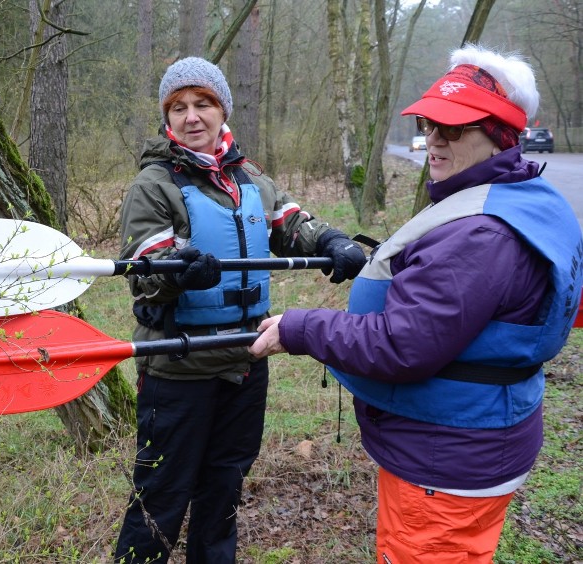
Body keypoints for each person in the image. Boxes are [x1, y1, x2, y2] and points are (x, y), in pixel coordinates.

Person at [249, 44, 583, 563]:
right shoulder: (524, 197)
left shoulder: (481, 235)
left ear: (499, 136)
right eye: (431, 124)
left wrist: (301, 327)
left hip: (446, 460)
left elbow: (402, 345)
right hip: (477, 443)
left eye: (453, 129)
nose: (434, 139)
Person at [113, 57, 366, 563]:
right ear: (169, 118)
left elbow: (293, 221)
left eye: (202, 103)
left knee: (224, 490)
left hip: (246, 363)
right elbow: (146, 268)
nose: (192, 117)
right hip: (180, 369)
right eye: (179, 107)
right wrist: (176, 268)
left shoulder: (249, 177)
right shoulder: (154, 184)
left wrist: (334, 240)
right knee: (160, 499)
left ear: (221, 110)